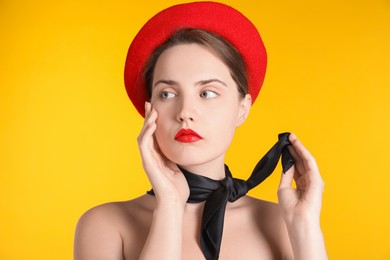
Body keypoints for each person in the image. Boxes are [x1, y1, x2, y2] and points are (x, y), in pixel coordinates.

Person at [74, 2, 327, 260]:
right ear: (150, 109)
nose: (185, 111)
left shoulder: (282, 224)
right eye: (168, 93)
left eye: (207, 93)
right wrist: (169, 207)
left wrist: (305, 229)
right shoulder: (104, 226)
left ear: (242, 108)